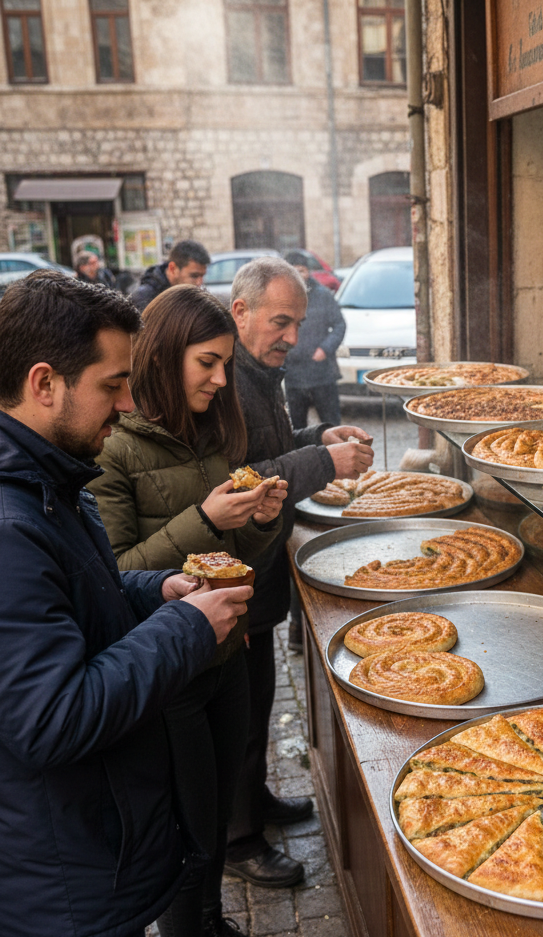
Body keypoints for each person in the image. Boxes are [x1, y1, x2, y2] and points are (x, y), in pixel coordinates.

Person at [0, 271, 252, 937]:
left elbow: (87, 594)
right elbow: (51, 717)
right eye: (112, 385)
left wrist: (156, 589)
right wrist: (184, 627)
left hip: (90, 844)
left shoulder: (49, 477)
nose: (125, 402)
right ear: (44, 382)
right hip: (60, 883)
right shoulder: (11, 522)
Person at [89, 286, 287, 937]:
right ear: (166, 354)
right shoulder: (115, 448)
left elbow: (236, 554)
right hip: (170, 677)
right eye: (207, 362)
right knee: (190, 833)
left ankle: (210, 920)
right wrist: (202, 517)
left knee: (218, 817)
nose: (221, 377)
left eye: (225, 363)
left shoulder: (211, 433)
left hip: (226, 656)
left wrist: (259, 518)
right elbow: (116, 574)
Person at [224, 256, 373, 888]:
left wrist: (318, 433)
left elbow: (272, 443)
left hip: (257, 574)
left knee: (258, 701)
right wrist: (324, 460)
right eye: (280, 322)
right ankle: (237, 840)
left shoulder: (259, 372)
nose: (292, 336)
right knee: (235, 711)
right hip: (235, 571)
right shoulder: (225, 376)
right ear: (241, 312)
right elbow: (250, 473)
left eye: (298, 322)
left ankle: (253, 802)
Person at [281, 248, 346, 428]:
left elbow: (340, 325)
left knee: (331, 424)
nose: (298, 276)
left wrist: (325, 348)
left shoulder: (323, 296)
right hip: (293, 374)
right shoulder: (280, 299)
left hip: (322, 373)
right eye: (292, 271)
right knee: (296, 428)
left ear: (308, 272)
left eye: (301, 270)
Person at [131, 238, 210, 310]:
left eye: (202, 276)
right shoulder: (144, 299)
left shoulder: (195, 296)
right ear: (172, 268)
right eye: (194, 276)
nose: (200, 282)